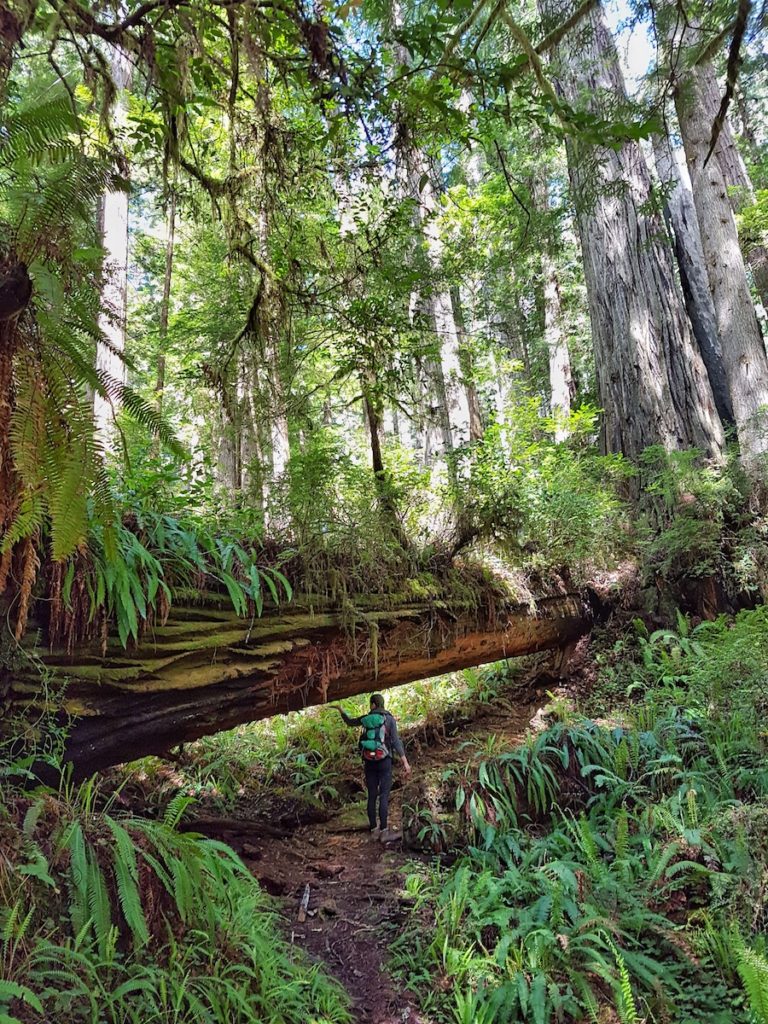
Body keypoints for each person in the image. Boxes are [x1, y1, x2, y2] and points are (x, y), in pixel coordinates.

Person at [328, 693, 411, 841]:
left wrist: (340, 710)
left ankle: (374, 830)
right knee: (384, 796)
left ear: (373, 705)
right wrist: (405, 762)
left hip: (369, 761)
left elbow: (350, 722)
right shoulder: (389, 719)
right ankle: (384, 832)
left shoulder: (365, 719)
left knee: (372, 796)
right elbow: (396, 741)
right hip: (384, 761)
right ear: (382, 704)